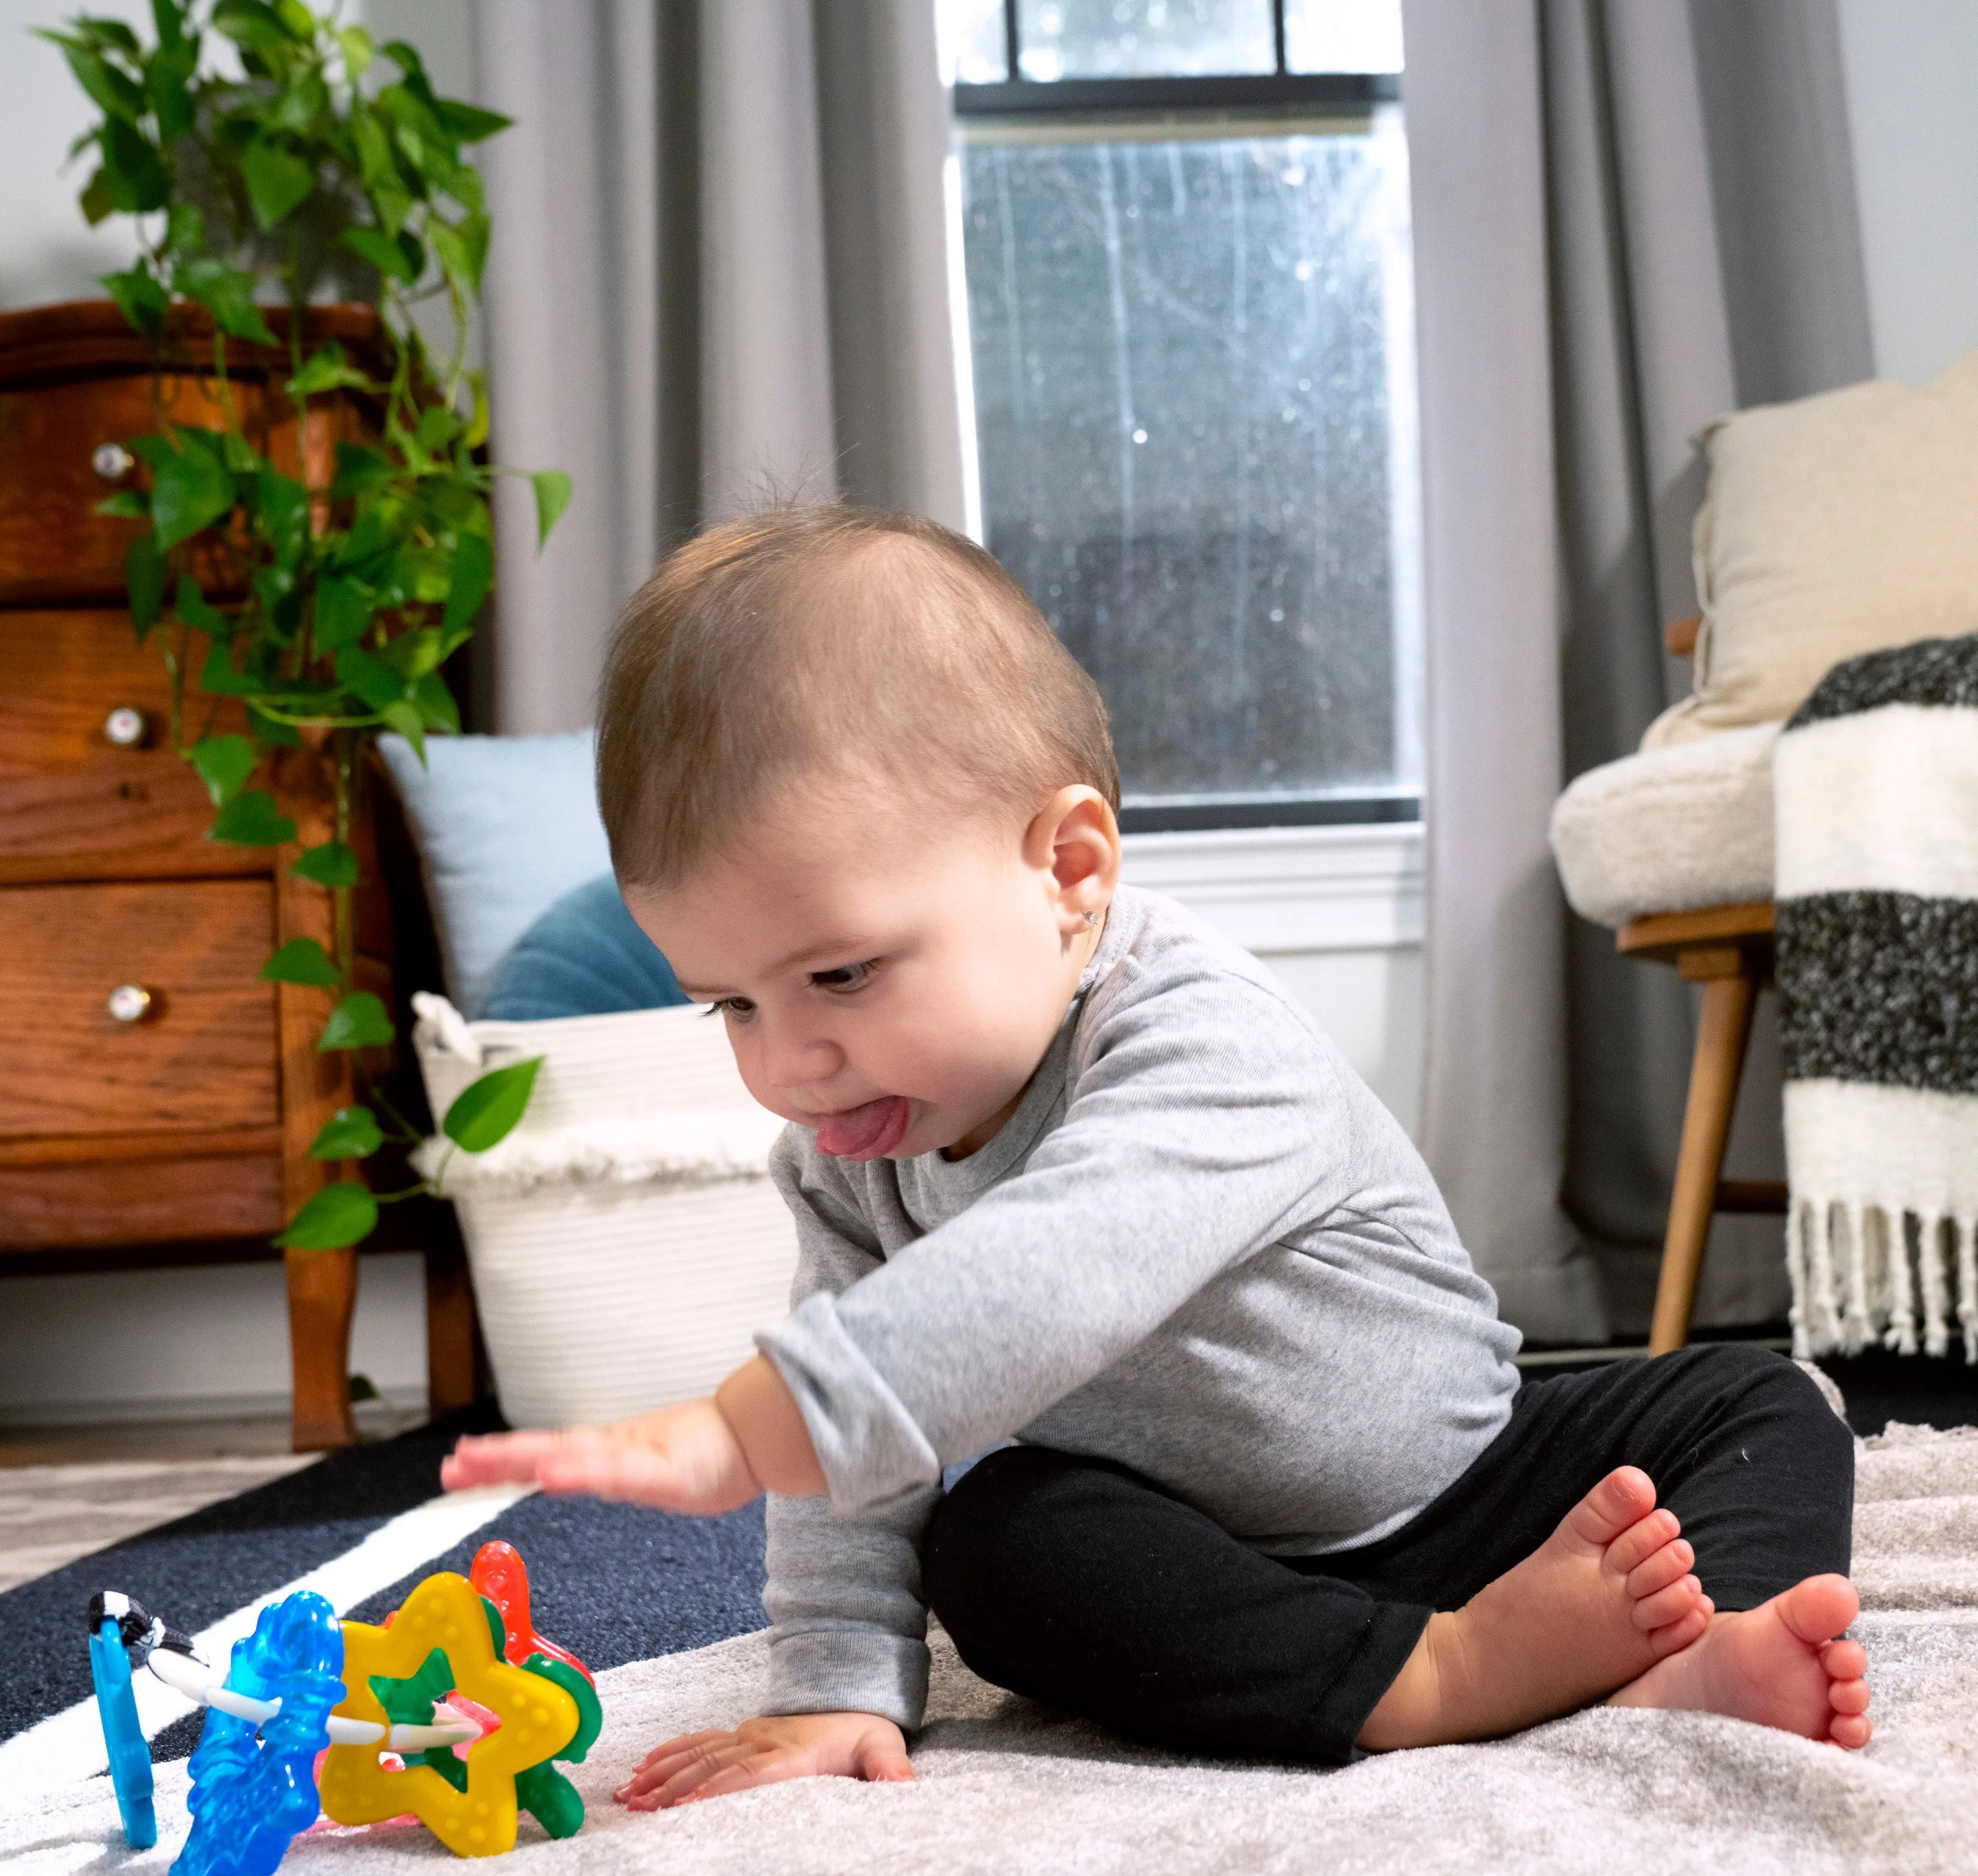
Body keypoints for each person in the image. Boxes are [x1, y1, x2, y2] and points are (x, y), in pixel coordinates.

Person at [441, 505, 1870, 1808]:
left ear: (1068, 873)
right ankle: (1424, 1679)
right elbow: (869, 1454)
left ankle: (1700, 1641)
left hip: (1483, 1485)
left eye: (844, 976)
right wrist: (831, 1675)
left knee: (1761, 1396)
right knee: (994, 1542)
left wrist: (751, 1424)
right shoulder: (844, 1150)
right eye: (731, 1003)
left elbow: (1055, 1269)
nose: (786, 1063)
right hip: (1201, 1550)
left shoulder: (1203, 1035)